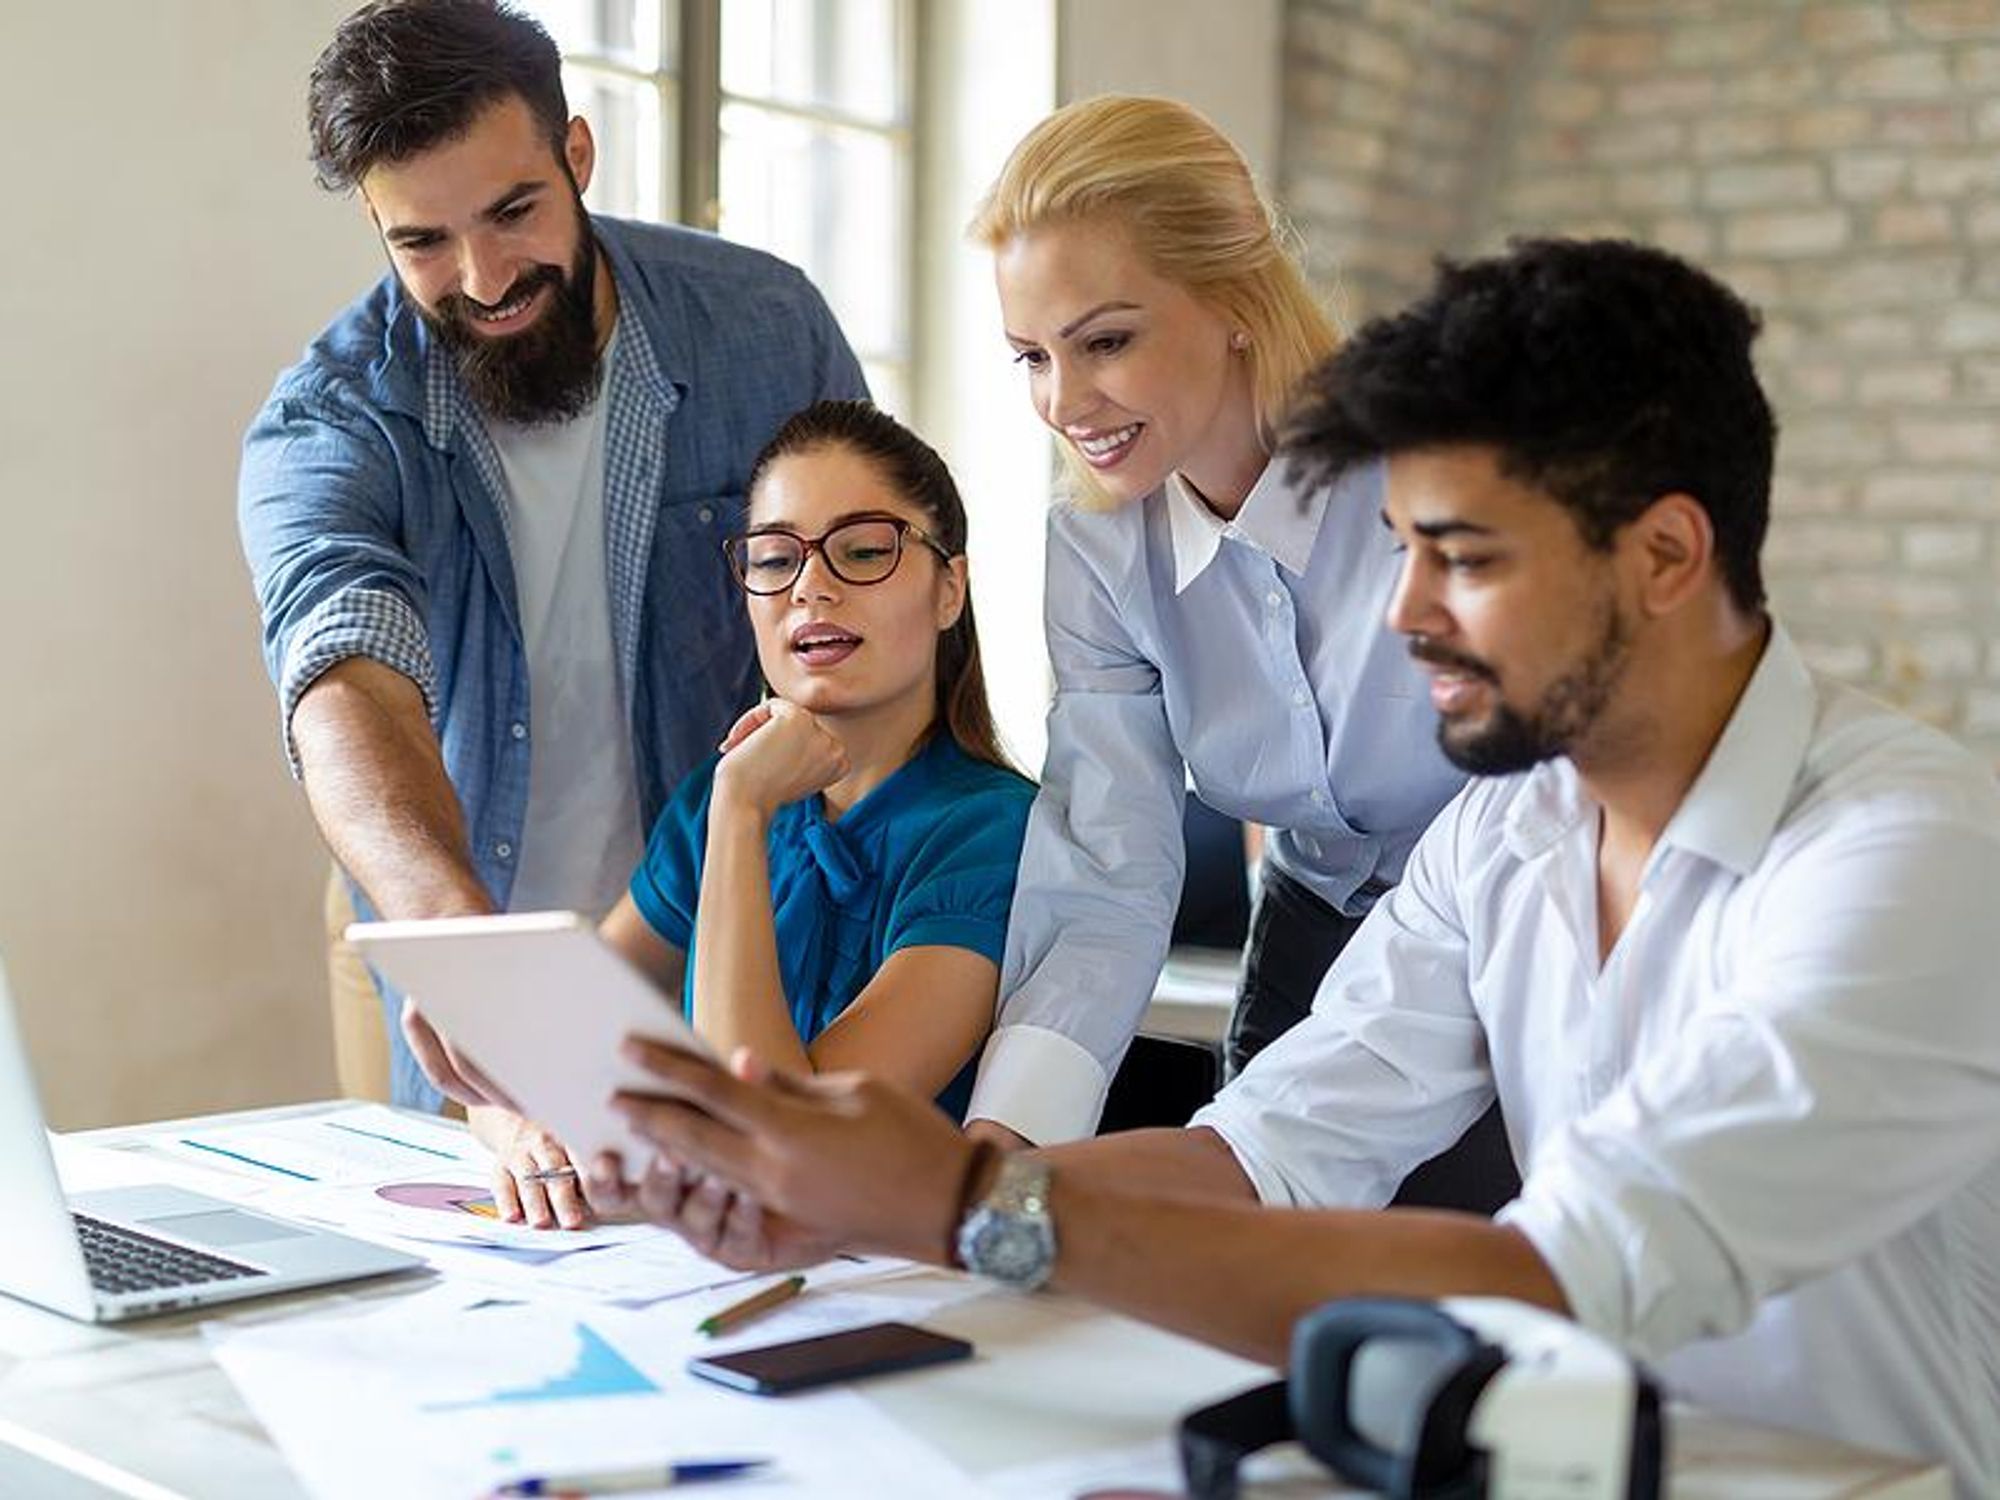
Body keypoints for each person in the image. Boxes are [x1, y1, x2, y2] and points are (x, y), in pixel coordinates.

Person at [595, 239, 2000, 1493]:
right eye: (1399, 551)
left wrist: (970, 1209)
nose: (1407, 615)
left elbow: (1552, 1275)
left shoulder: (1902, 857)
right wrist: (894, 1184)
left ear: (1666, 555)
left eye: (1461, 558)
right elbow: (1262, 1151)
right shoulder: (1505, 836)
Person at [236, 0, 866, 1111]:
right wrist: (458, 946)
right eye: (421, 242)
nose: (481, 279)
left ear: (576, 153)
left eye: (512, 212)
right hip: (468, 965)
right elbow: (342, 663)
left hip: (748, 941)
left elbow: (881, 607)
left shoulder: (767, 327)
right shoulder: (331, 417)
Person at [955, 98, 1474, 1180]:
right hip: (1308, 929)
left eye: (1104, 341)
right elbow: (1110, 863)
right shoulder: (1096, 548)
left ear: (1234, 301)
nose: (1062, 402)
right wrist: (1011, 1134)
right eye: (1030, 358)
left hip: (1506, 927)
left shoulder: (1428, 468)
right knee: (1260, 1296)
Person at [458, 401, 1036, 1229]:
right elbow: (527, 1039)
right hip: (695, 1265)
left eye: (864, 550)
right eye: (774, 559)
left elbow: (777, 1144)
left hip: (890, 1283)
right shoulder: (712, 800)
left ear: (950, 588)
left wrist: (741, 811)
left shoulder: (994, 833)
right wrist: (522, 1127)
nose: (812, 586)